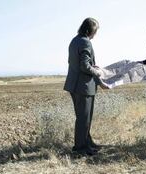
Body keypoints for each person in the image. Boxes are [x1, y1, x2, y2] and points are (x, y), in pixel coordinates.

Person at [63, 17, 109, 156]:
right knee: (84, 118)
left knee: (83, 117)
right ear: (90, 30)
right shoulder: (85, 42)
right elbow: (84, 65)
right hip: (83, 86)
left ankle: (87, 142)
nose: (95, 34)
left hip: (74, 85)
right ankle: (81, 148)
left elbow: (73, 61)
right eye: (95, 31)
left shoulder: (74, 40)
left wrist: (90, 66)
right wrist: (97, 72)